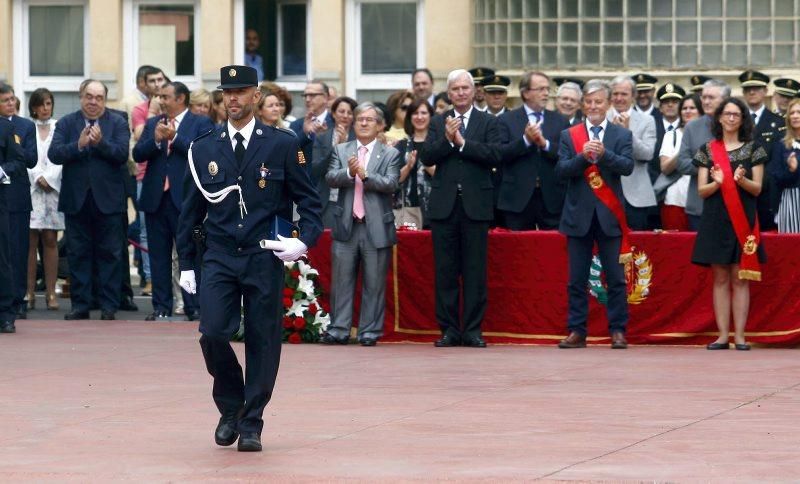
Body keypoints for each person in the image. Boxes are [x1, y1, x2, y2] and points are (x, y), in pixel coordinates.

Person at [177, 65, 322, 452]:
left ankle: (252, 421)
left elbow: (310, 203)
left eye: (241, 91)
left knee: (262, 338)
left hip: (262, 254)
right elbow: (189, 211)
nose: (234, 98)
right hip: (220, 254)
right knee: (212, 333)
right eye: (228, 92)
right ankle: (231, 406)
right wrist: (187, 263)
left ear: (256, 95)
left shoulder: (282, 144)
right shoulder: (204, 146)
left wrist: (302, 243)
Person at [423, 69, 502, 348]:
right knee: (445, 271)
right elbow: (427, 155)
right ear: (449, 93)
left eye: (465, 88)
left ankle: (472, 330)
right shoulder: (437, 122)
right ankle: (449, 330)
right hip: (445, 206)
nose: (460, 93)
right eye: (455, 89)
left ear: (474, 91)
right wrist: (446, 140)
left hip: (476, 205)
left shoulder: (487, 122)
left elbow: (495, 154)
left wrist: (463, 143)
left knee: (474, 271)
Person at [555, 79, 634, 350]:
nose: (593, 106)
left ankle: (618, 330)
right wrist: (582, 157)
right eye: (588, 102)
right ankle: (577, 330)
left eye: (598, 101)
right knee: (576, 278)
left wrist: (604, 155)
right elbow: (561, 170)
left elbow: (627, 166)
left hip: (609, 216)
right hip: (578, 216)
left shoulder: (621, 134)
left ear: (608, 103)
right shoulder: (570, 135)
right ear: (582, 105)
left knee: (615, 278)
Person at [48, 79, 130, 321]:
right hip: (76, 200)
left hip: (109, 200)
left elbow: (122, 154)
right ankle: (80, 305)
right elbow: (55, 154)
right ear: (81, 97)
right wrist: (79, 145)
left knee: (110, 254)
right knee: (78, 254)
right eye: (89, 96)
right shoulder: (66, 122)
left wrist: (100, 143)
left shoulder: (117, 122)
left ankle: (109, 306)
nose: (93, 102)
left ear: (105, 100)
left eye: (99, 97)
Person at [321, 103, 401, 346]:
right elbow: (330, 178)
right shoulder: (342, 150)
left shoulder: (390, 154)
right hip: (347, 225)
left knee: (374, 283)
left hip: (375, 226)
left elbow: (391, 184)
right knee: (341, 282)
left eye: (369, 120)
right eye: (359, 120)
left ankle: (369, 332)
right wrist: (349, 172)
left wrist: (365, 175)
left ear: (380, 125)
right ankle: (339, 329)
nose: (364, 123)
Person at [133, 81, 214, 321]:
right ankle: (161, 306)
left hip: (186, 200)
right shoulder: (152, 124)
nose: (161, 100)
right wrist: (156, 140)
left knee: (189, 252)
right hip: (156, 199)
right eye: (159, 96)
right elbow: (138, 154)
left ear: (181, 99)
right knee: (158, 254)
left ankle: (193, 305)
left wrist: (175, 138)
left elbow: (203, 154)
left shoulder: (200, 122)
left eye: (166, 96)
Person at [691, 97, 766, 351]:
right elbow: (702, 190)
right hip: (715, 219)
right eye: (727, 114)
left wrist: (741, 181)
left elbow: (757, 189)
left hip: (743, 218)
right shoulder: (708, 150)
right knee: (720, 278)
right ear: (719, 117)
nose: (732, 118)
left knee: (740, 278)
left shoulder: (754, 149)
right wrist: (719, 182)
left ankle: (741, 336)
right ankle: (723, 335)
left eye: (737, 114)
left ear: (743, 119)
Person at [497, 70, 570, 230]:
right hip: (517, 198)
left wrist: (545, 145)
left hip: (552, 198)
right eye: (541, 89)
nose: (546, 94)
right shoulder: (506, 120)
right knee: (517, 250)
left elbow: (567, 155)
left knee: (552, 248)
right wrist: (526, 141)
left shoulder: (560, 120)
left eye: (547, 89)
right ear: (526, 93)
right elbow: (499, 154)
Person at [1, 83, 38, 320]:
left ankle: (18, 298)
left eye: (13, 99)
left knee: (17, 250)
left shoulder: (25, 126)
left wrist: (15, 149)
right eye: (5, 100)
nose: (11, 103)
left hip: (17, 195)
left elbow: (31, 159)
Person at [26, 88, 63, 311]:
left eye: (48, 103)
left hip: (52, 189)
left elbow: (60, 156)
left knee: (50, 239)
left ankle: (51, 292)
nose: (45, 108)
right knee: (30, 240)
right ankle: (29, 292)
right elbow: (25, 154)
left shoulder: (59, 127)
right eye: (41, 104)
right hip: (32, 189)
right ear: (33, 107)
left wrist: (49, 177)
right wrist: (37, 176)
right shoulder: (26, 127)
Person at [677, 79, 730, 230]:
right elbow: (682, 164)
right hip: (699, 206)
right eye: (704, 97)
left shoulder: (739, 125)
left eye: (711, 98)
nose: (706, 101)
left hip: (731, 203)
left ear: (725, 100)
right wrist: (710, 165)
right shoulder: (692, 127)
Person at [607, 76, 656, 230]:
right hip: (605, 190)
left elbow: (647, 154)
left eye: (624, 94)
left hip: (635, 196)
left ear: (633, 96)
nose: (619, 98)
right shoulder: (600, 117)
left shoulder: (647, 120)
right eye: (615, 94)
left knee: (636, 248)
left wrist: (628, 133)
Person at [739, 69, 784, 232]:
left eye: (757, 88)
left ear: (765, 91)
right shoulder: (736, 120)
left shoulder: (778, 122)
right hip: (740, 191)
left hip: (768, 195)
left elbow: (778, 159)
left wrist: (759, 183)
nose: (752, 92)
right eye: (747, 89)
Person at [656, 91, 703, 231]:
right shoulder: (672, 135)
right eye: (684, 108)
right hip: (675, 199)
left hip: (700, 200)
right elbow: (665, 168)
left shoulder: (709, 134)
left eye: (692, 108)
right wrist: (684, 148)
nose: (688, 111)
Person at [313, 96, 357, 228]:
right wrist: (335, 148)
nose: (345, 115)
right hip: (328, 199)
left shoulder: (360, 137)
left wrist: (345, 147)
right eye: (341, 111)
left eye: (349, 113)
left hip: (352, 199)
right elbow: (315, 169)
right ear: (333, 113)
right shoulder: (322, 137)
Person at [0, 117, 25, 333]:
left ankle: (6, 315)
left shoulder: (6, 127)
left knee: (2, 259)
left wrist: (0, 171)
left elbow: (18, 162)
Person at [394, 99, 435, 228]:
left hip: (436, 207)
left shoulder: (439, 144)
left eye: (424, 113)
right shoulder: (400, 145)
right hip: (408, 209)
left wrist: (427, 165)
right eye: (415, 113)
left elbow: (447, 176)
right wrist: (408, 167)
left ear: (430, 116)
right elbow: (394, 179)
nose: (419, 117)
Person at [289, 80, 332, 175]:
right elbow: (293, 154)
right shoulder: (296, 124)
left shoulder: (335, 122)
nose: (307, 99)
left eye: (312, 95)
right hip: (304, 181)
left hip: (328, 181)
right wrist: (304, 134)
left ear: (325, 97)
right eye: (305, 96)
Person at [770, 98, 800, 232]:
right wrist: (791, 170)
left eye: (799, 112)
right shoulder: (781, 144)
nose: (795, 116)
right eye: (792, 113)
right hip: (790, 201)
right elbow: (776, 177)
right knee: (790, 247)